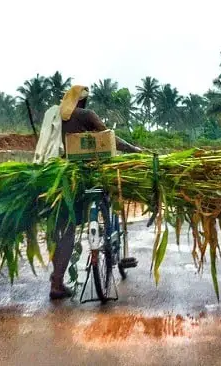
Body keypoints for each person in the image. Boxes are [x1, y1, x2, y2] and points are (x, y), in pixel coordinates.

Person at [33, 85, 142, 300]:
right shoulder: (86, 115)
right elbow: (109, 140)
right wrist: (134, 150)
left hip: (54, 177)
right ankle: (59, 282)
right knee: (70, 227)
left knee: (59, 228)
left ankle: (57, 281)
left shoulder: (54, 116)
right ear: (82, 101)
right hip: (80, 178)